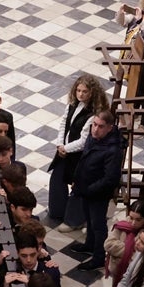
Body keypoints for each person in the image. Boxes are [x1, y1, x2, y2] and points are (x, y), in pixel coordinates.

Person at [49, 74, 110, 228]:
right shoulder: (72, 105)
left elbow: (84, 141)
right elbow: (64, 124)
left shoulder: (94, 114)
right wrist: (59, 144)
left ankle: (73, 221)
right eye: (78, 90)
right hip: (65, 149)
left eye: (85, 91)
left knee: (78, 186)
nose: (80, 94)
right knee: (57, 178)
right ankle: (57, 211)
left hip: (80, 155)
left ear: (92, 93)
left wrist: (65, 148)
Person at [67, 110, 124, 270]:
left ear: (110, 128)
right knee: (89, 220)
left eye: (100, 126)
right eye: (94, 124)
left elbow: (110, 178)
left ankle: (99, 257)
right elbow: (85, 159)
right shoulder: (94, 138)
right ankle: (89, 245)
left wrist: (90, 189)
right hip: (85, 189)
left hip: (98, 193)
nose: (95, 129)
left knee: (98, 225)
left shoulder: (113, 150)